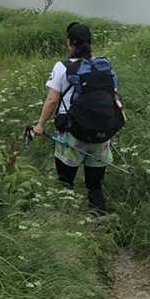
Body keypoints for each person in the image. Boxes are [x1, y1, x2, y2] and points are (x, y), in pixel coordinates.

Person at [32, 22, 121, 211]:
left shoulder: (62, 67)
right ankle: (99, 219)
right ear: (90, 42)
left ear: (69, 43)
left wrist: (40, 126)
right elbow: (114, 97)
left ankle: (66, 218)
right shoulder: (104, 66)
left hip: (72, 132)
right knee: (95, 186)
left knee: (65, 184)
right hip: (101, 134)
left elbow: (52, 100)